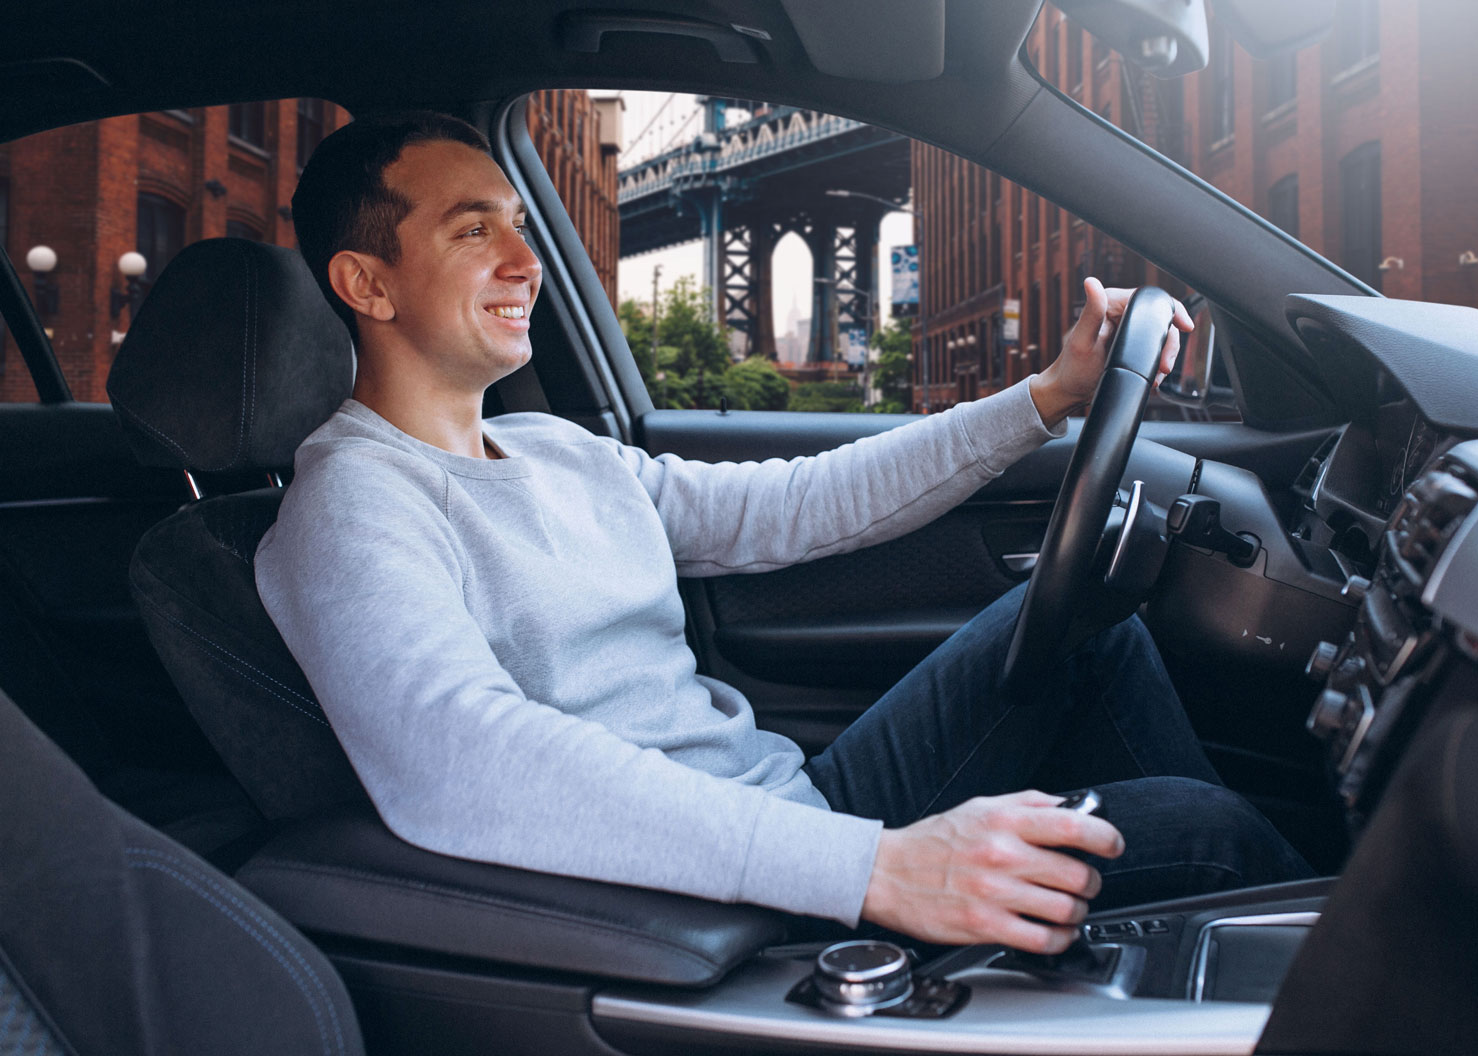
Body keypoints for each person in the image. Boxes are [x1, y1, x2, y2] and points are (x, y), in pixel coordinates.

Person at [258, 112, 1310, 957]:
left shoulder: (552, 449)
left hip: (792, 813)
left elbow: (798, 503)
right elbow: (460, 757)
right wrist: (877, 871)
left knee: (1088, 627)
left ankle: (1181, 963)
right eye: (473, 231)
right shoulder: (352, 506)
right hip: (715, 900)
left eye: (522, 226)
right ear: (366, 283)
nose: (526, 260)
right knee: (1207, 836)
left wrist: (1047, 395)